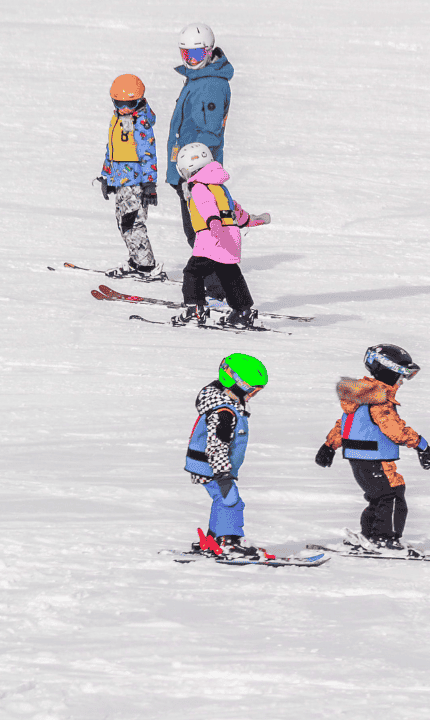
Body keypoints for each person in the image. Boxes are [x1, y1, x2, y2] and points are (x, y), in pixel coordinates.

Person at [314, 345, 430, 551]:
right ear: (389, 371)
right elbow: (394, 430)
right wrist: (421, 445)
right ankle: (386, 539)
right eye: (402, 375)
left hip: (358, 458)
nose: (402, 381)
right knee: (393, 495)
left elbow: (345, 424)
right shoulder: (379, 400)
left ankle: (370, 536)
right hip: (376, 457)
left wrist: (329, 445)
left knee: (378, 498)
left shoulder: (360, 395)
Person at [169, 143, 272, 329]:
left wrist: (213, 222)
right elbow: (234, 209)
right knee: (229, 274)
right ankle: (242, 311)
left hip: (212, 237)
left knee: (192, 272)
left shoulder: (199, 187)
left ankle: (195, 310)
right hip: (230, 237)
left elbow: (207, 206)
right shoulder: (220, 187)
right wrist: (252, 220)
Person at [166, 22, 233, 298]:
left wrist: (194, 177)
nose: (190, 62)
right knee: (196, 231)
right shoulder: (199, 79)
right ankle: (214, 285)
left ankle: (217, 291)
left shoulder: (209, 87)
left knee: (202, 233)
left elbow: (208, 133)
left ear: (208, 51)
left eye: (194, 56)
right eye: (185, 56)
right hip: (185, 167)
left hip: (194, 171)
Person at [185, 353, 268, 558]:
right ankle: (228, 541)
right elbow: (217, 446)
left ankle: (213, 540)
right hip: (212, 466)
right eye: (251, 390)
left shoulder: (228, 406)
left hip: (211, 465)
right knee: (230, 500)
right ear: (235, 383)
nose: (251, 396)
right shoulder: (224, 413)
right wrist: (223, 474)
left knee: (222, 499)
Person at [96, 74, 162, 281]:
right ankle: (136, 260)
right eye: (119, 104)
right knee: (123, 223)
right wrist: (107, 177)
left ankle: (146, 265)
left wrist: (149, 183)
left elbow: (148, 153)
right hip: (122, 182)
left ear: (140, 100)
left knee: (133, 223)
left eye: (129, 104)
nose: (124, 109)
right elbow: (112, 151)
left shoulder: (141, 123)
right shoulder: (118, 119)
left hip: (137, 183)